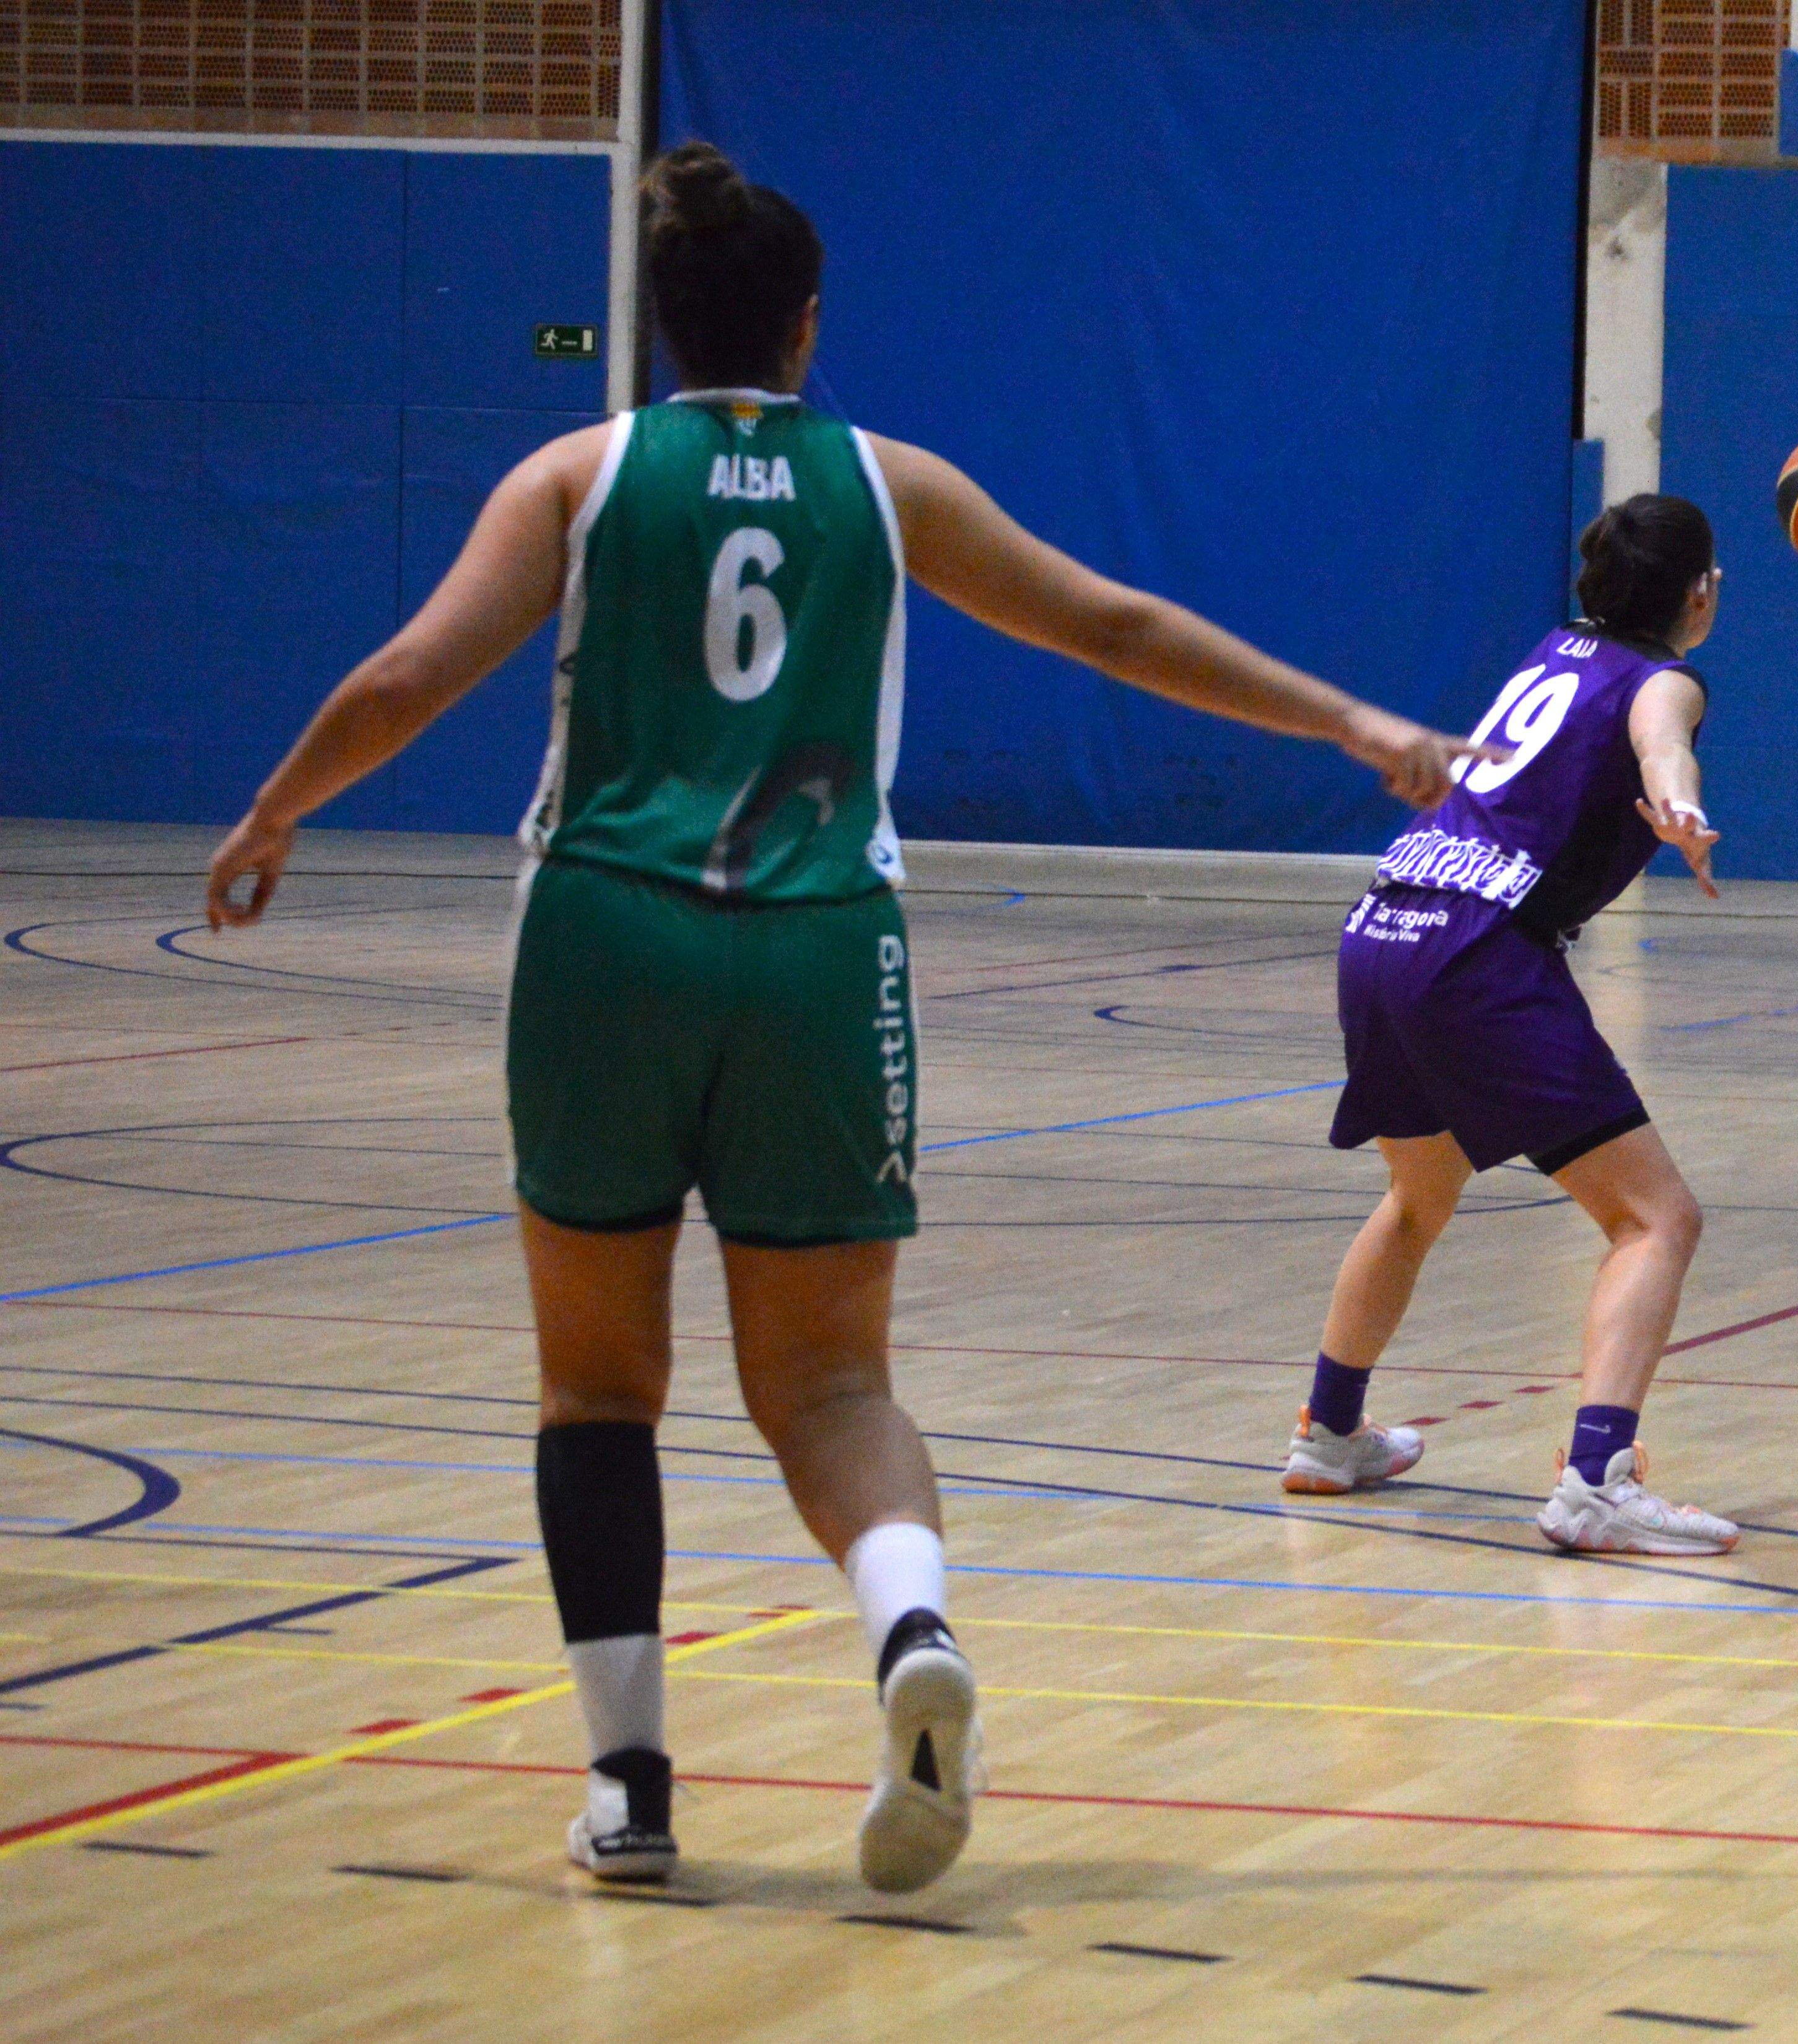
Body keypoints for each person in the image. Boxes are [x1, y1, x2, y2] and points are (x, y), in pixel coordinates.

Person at [201, 142, 1490, 1892]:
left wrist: (280, 805)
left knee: (598, 1386)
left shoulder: (577, 474)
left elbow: (411, 673)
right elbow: (1110, 624)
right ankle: (908, 1636)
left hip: (602, 937)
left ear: (660, 326)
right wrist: (1352, 722)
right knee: (826, 1380)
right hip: (819, 948)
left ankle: (634, 1790)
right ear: (810, 324)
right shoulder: (891, 485)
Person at [1280, 494, 1739, 1557]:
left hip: (1387, 917)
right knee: (1656, 1218)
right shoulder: (1665, 675)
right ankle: (1597, 1480)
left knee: (1417, 1191)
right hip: (1479, 951)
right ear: (1701, 593)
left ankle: (1331, 1430)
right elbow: (1661, 736)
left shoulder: (1554, 651)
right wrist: (1678, 802)